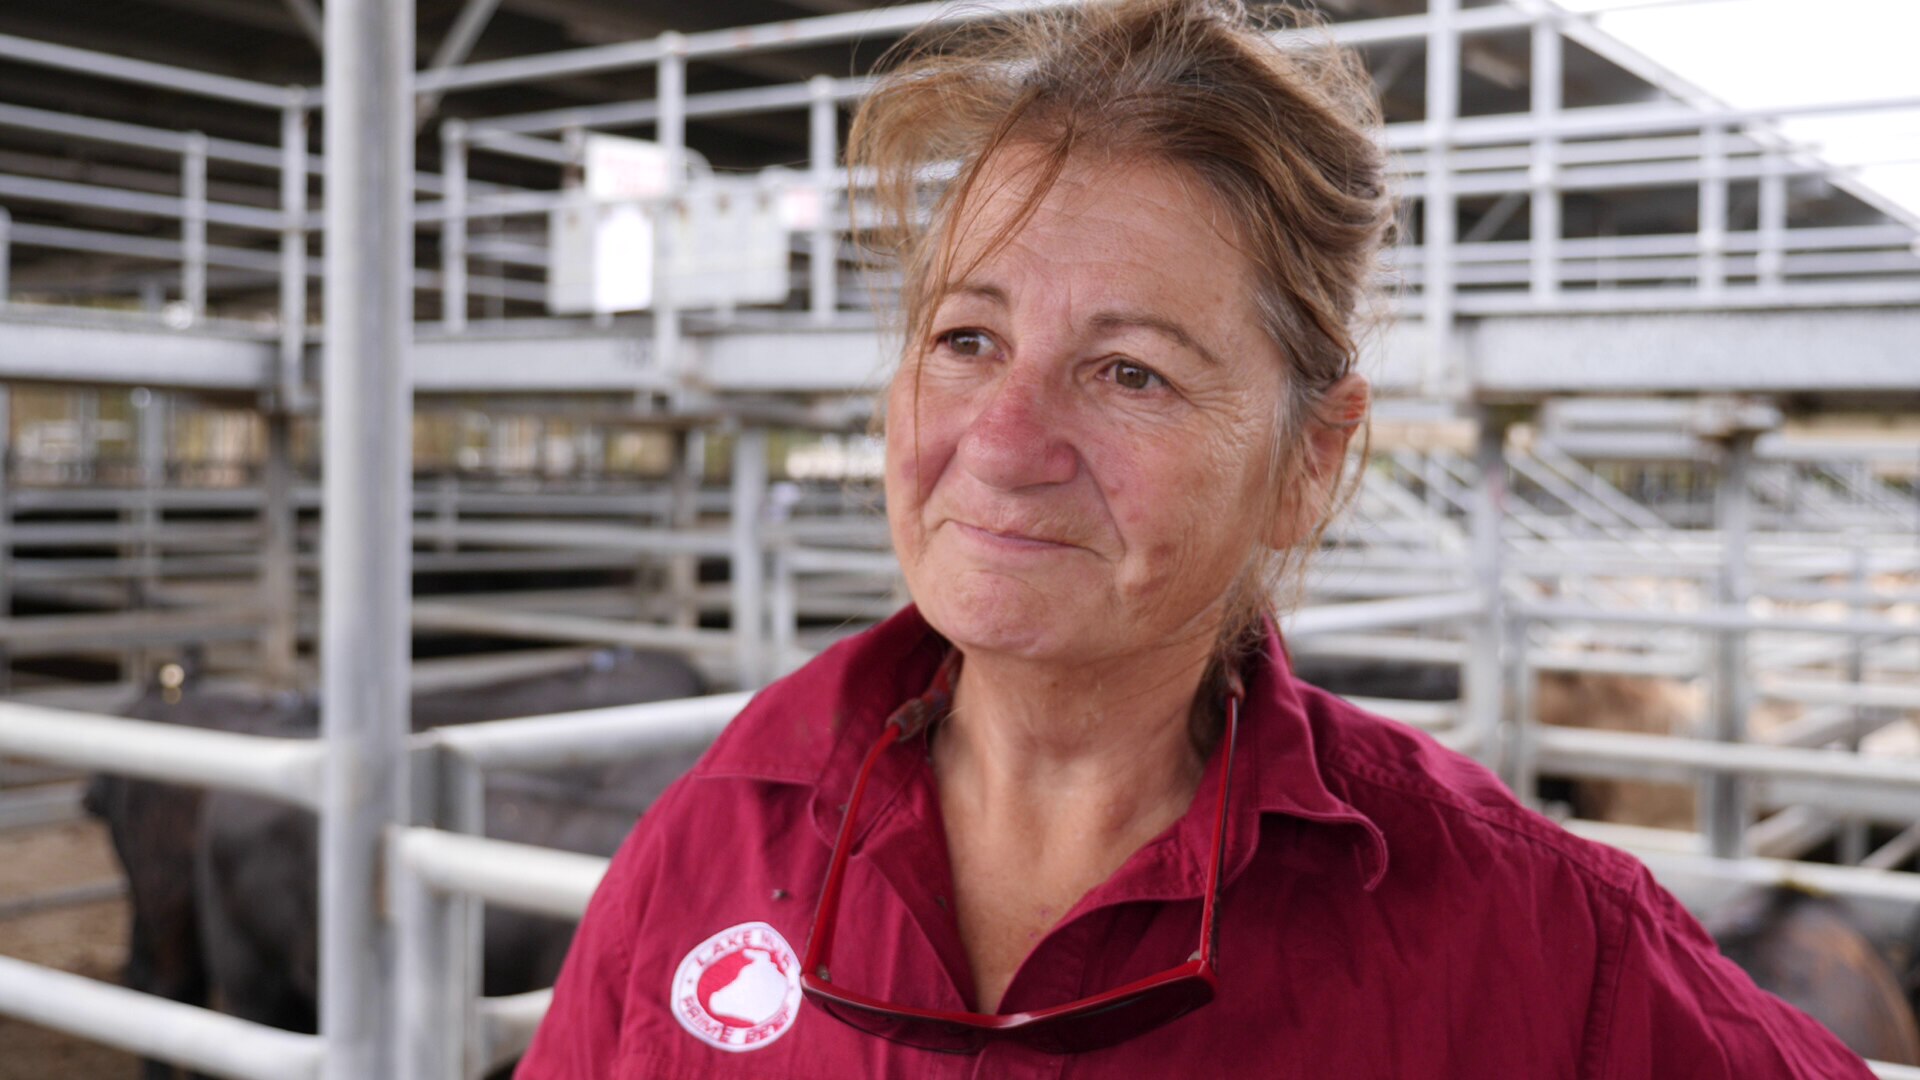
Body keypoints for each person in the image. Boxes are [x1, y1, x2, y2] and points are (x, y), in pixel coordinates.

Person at [519, 0, 1876, 1075]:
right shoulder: (710, 838)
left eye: (1132, 373)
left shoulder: (1529, 944)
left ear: (1310, 461)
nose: (1000, 440)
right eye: (968, 339)